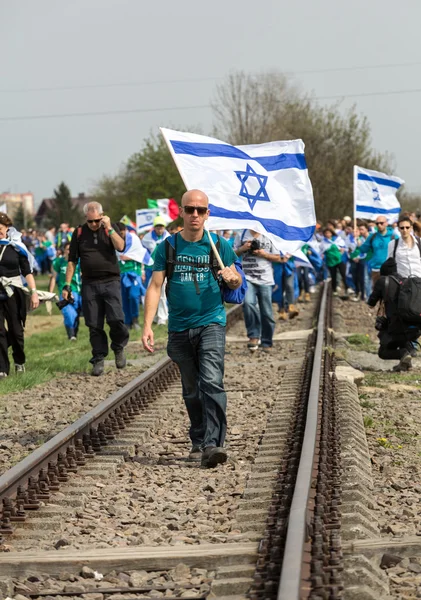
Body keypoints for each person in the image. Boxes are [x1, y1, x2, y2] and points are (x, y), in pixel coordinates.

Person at [142, 189, 241, 468]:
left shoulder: (219, 246)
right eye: (190, 209)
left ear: (207, 214)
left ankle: (213, 444)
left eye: (200, 210)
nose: (195, 214)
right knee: (191, 389)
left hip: (211, 322)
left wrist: (233, 278)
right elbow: (155, 286)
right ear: (181, 213)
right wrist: (148, 325)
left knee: (211, 381)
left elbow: (234, 282)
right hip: (179, 328)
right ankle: (198, 439)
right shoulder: (168, 247)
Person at [63, 202, 129, 376]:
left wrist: (109, 228)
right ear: (86, 218)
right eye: (91, 221)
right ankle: (98, 357)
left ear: (102, 216)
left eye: (97, 221)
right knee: (93, 324)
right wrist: (67, 285)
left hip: (111, 280)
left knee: (116, 319)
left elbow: (121, 247)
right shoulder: (78, 233)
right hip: (89, 283)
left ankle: (118, 346)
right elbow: (72, 261)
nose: (94, 224)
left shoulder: (110, 228)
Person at [0, 213, 40, 377]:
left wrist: (34, 293)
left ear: (7, 228)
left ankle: (19, 361)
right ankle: (2, 368)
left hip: (14, 292)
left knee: (16, 331)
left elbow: (27, 272)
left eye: (0, 228)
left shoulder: (16, 247)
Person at [367, 257, 420, 372]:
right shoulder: (405, 281)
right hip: (412, 327)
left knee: (383, 352)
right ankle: (407, 360)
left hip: (395, 327)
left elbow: (371, 303)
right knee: (402, 339)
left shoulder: (383, 281)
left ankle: (403, 353)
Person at [234, 230, 279, 349]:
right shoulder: (241, 234)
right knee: (248, 304)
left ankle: (267, 341)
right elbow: (233, 254)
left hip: (265, 279)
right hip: (247, 278)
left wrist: (263, 254)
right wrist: (243, 248)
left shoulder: (269, 235)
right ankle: (253, 336)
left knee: (267, 312)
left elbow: (278, 257)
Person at [117, 223, 149, 330]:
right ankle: (127, 321)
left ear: (125, 230)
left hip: (134, 273)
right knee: (124, 298)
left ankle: (135, 319)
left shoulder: (134, 239)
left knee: (134, 296)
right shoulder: (115, 240)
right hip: (122, 273)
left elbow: (140, 254)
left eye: (122, 233)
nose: (121, 235)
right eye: (119, 233)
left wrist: (129, 257)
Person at [49, 242, 82, 341]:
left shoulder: (79, 262)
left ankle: (74, 334)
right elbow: (53, 278)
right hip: (64, 292)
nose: (70, 251)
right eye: (68, 249)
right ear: (64, 250)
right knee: (68, 313)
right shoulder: (58, 262)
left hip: (77, 292)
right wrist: (50, 293)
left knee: (76, 314)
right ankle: (71, 336)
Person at [358, 216, 396, 285]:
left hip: (389, 270)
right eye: (377, 223)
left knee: (389, 293)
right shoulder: (372, 236)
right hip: (376, 269)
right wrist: (357, 239)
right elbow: (363, 250)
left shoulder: (394, 236)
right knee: (377, 293)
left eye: (381, 223)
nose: (379, 225)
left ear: (386, 223)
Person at [141, 216, 170, 288]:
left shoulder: (169, 237)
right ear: (154, 227)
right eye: (158, 227)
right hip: (150, 267)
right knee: (148, 287)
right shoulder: (146, 238)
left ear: (164, 227)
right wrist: (142, 270)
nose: (160, 229)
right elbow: (142, 253)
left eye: (161, 227)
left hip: (163, 268)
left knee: (163, 289)